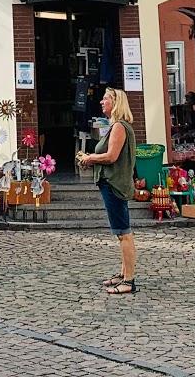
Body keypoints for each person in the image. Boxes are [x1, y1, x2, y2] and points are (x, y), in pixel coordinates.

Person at [76, 86, 138, 294]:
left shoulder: (119, 127)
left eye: (105, 99)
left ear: (115, 102)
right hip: (112, 182)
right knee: (121, 232)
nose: (102, 102)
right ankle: (123, 273)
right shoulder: (117, 126)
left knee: (123, 233)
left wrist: (90, 158)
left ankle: (128, 281)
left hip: (114, 184)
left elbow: (111, 156)